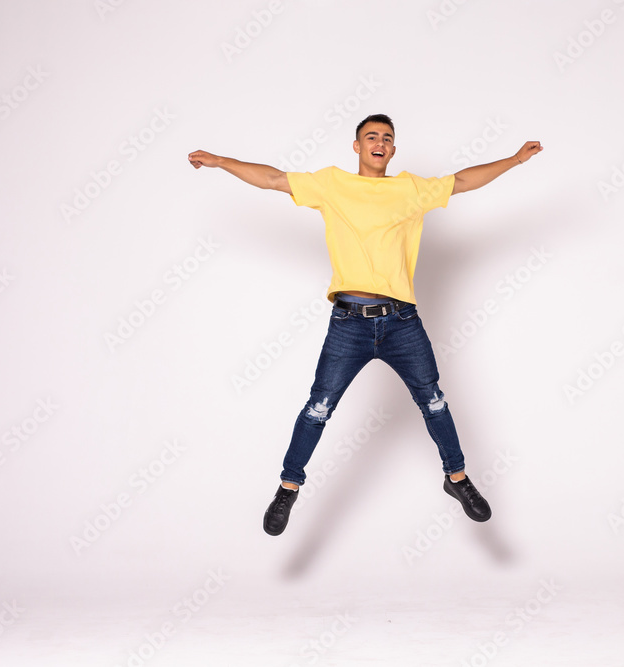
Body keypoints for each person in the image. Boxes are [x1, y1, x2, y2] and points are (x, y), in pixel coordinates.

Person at [189, 114, 541, 536]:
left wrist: (515, 160)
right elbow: (274, 179)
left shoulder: (409, 189)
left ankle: (457, 478)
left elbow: (462, 182)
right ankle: (288, 487)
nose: (380, 142)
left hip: (401, 322)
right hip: (348, 324)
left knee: (434, 402)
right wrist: (220, 160)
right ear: (356, 146)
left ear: (393, 150)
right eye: (371, 136)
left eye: (387, 138)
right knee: (318, 408)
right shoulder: (332, 184)